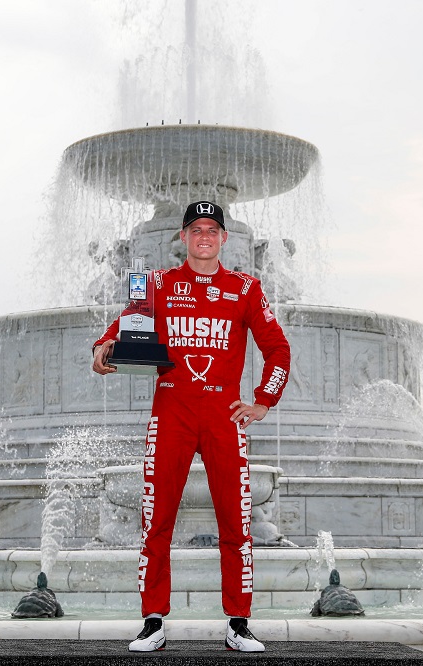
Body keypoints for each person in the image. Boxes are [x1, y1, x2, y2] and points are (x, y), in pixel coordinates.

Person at [92, 201, 291, 652]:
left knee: (235, 524)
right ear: (182, 237)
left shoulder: (246, 288)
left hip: (224, 417)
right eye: (196, 229)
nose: (204, 236)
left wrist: (263, 401)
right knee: (156, 520)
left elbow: (278, 349)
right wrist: (103, 345)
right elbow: (123, 325)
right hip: (172, 415)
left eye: (212, 229)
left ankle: (238, 623)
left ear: (224, 238)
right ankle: (153, 621)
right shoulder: (158, 284)